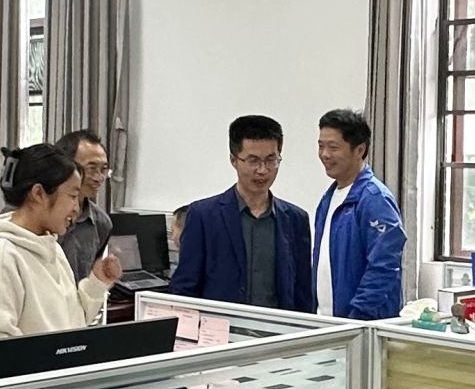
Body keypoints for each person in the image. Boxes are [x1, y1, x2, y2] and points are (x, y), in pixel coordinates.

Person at [0, 143, 121, 341]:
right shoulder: (0, 255)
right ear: (39, 193)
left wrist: (97, 282)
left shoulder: (52, 247)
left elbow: (73, 323)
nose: (76, 208)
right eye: (72, 196)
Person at [169, 115, 314, 312]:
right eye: (253, 160)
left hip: (277, 329)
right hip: (220, 328)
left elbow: (302, 293)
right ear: (233, 160)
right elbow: (184, 289)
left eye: (271, 160)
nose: (262, 170)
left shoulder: (296, 219)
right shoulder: (203, 216)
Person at [311, 108, 405, 320]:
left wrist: (358, 317)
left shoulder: (375, 200)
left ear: (360, 150)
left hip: (360, 325)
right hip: (327, 321)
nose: (325, 155)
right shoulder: (328, 198)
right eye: (321, 146)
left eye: (333, 147)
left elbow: (384, 267)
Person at [55, 128, 117, 281]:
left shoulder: (102, 223)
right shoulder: (36, 214)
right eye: (91, 168)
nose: (99, 177)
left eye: (103, 169)